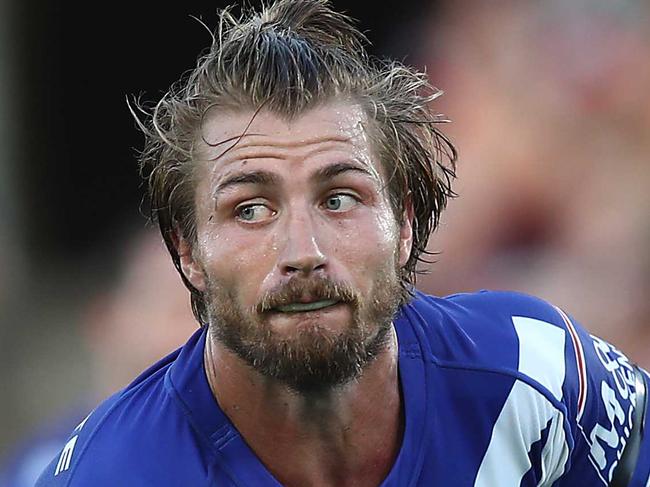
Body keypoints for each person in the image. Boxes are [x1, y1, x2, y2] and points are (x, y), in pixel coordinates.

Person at [36, 0, 649, 485]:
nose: (303, 249)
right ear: (188, 252)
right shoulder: (113, 474)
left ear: (406, 222)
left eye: (340, 199)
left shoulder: (538, 377)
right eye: (250, 209)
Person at [1, 228, 196, 487]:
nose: (198, 331)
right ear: (105, 319)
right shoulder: (49, 471)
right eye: (179, 309)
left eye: (205, 311)